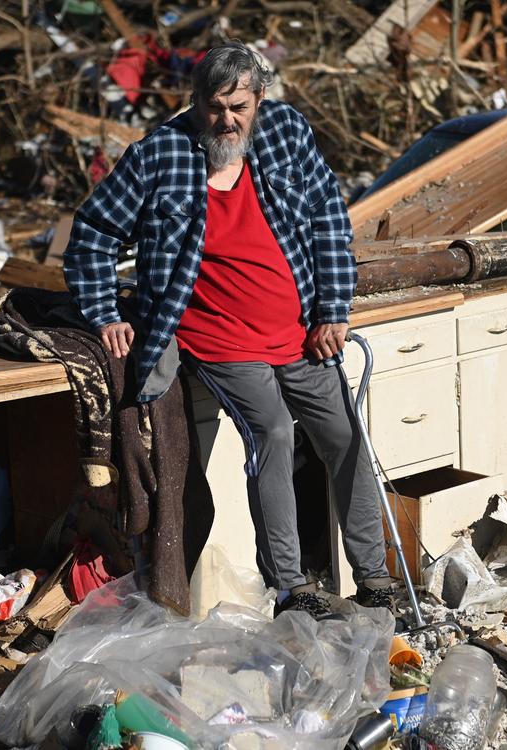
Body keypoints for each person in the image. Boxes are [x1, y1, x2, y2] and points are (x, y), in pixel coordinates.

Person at [64, 41, 399, 619]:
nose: (226, 120)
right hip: (216, 336)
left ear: (259, 98)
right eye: (214, 107)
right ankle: (293, 587)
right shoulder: (160, 154)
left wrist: (333, 310)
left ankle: (373, 576)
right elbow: (92, 232)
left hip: (297, 328)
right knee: (271, 432)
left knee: (346, 435)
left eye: (238, 107)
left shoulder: (287, 133)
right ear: (195, 102)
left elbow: (327, 219)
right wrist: (105, 313)